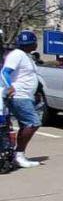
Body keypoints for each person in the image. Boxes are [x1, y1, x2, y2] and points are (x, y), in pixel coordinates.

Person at [2, 31, 43, 168]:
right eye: (34, 42)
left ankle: (17, 155)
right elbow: (5, 72)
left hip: (26, 96)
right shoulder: (17, 55)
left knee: (26, 125)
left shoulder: (26, 56)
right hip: (19, 96)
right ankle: (18, 155)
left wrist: (36, 92)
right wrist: (9, 87)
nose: (36, 44)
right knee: (33, 123)